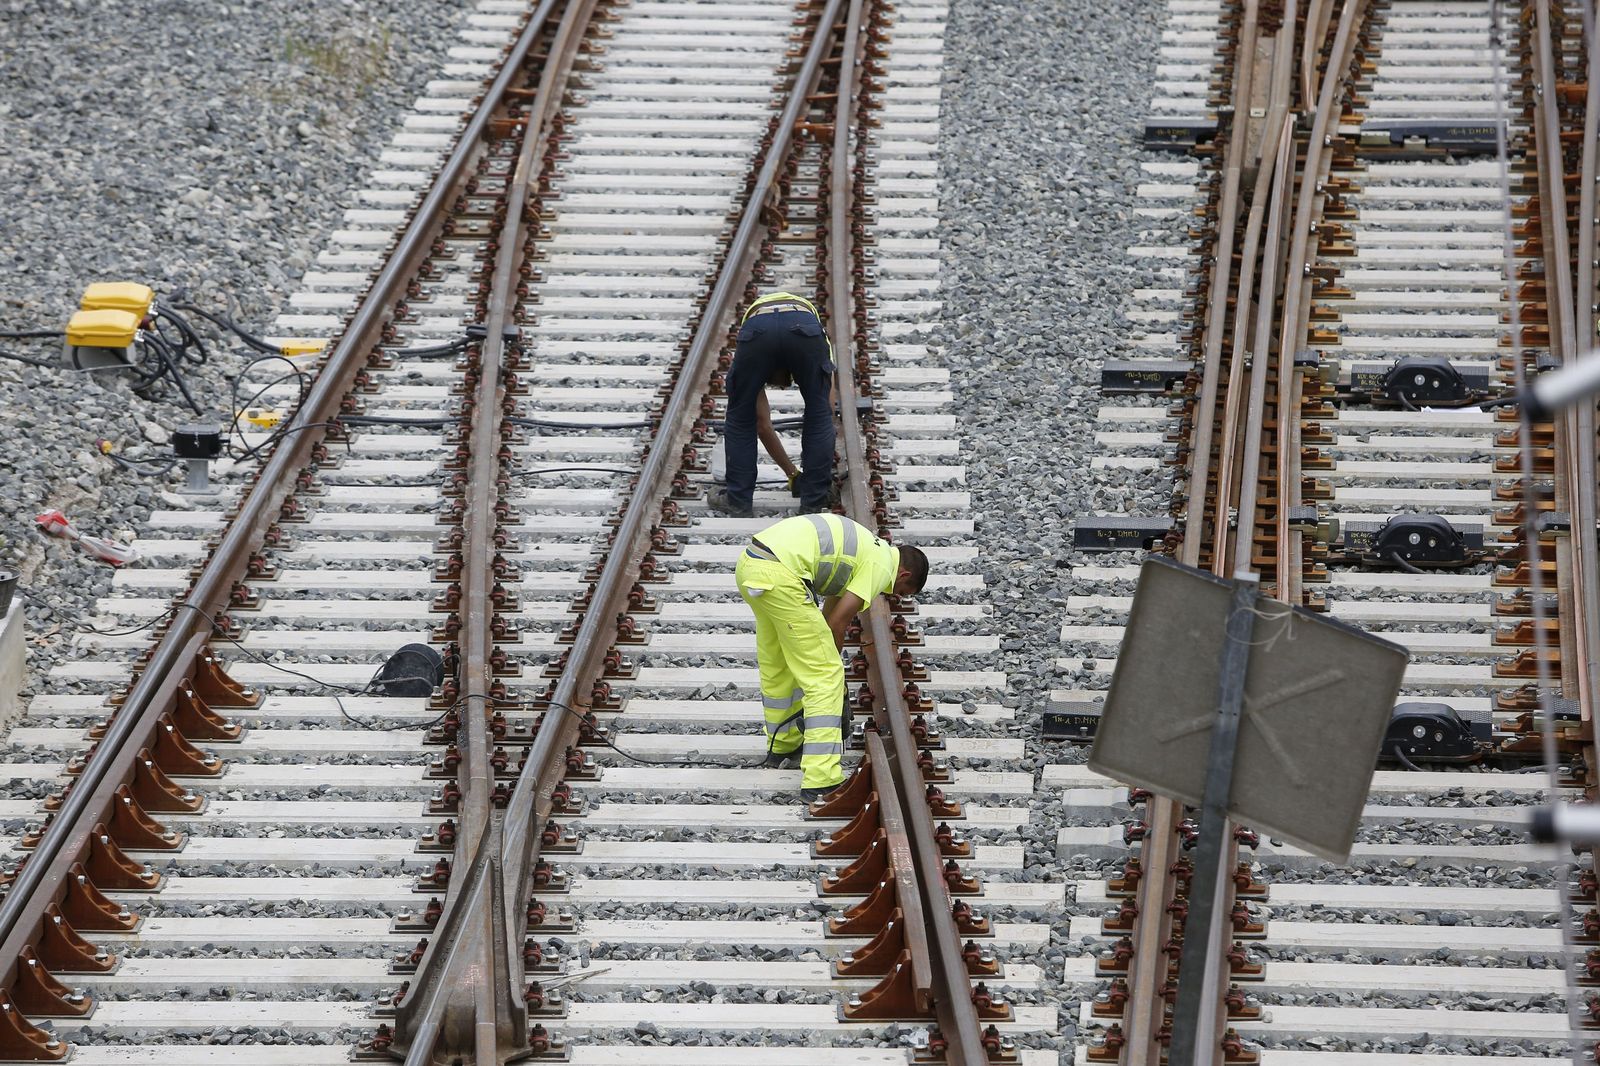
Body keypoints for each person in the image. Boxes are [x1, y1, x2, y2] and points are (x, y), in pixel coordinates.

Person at [734, 513, 930, 801]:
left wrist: (822, 651)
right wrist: (831, 667)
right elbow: (838, 622)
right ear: (903, 575)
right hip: (782, 576)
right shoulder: (880, 566)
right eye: (900, 592)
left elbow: (825, 620)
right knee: (826, 676)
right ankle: (821, 778)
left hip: (751, 564)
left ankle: (784, 743)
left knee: (779, 663)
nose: (893, 595)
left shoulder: (864, 549)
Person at [708, 291, 836, 518]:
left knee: (739, 419)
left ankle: (738, 501)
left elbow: (759, 423)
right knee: (819, 414)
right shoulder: (818, 334)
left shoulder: (755, 349)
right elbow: (828, 409)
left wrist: (793, 474)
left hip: (758, 331)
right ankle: (814, 501)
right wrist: (797, 477)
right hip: (804, 328)